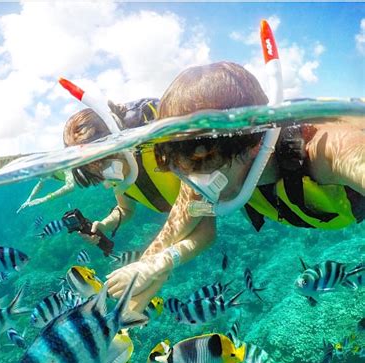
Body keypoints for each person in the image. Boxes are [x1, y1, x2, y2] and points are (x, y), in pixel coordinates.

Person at [105, 62, 364, 310]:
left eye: (205, 178)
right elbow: (174, 234)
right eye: (184, 175)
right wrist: (144, 280)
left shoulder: (326, 151)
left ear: (252, 146)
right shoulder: (203, 168)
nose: (198, 192)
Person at [19, 98, 181, 242]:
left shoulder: (162, 147)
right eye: (98, 175)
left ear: (119, 147)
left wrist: (158, 260)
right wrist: (104, 225)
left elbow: (195, 210)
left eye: (108, 168)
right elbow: (126, 209)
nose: (108, 183)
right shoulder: (117, 169)